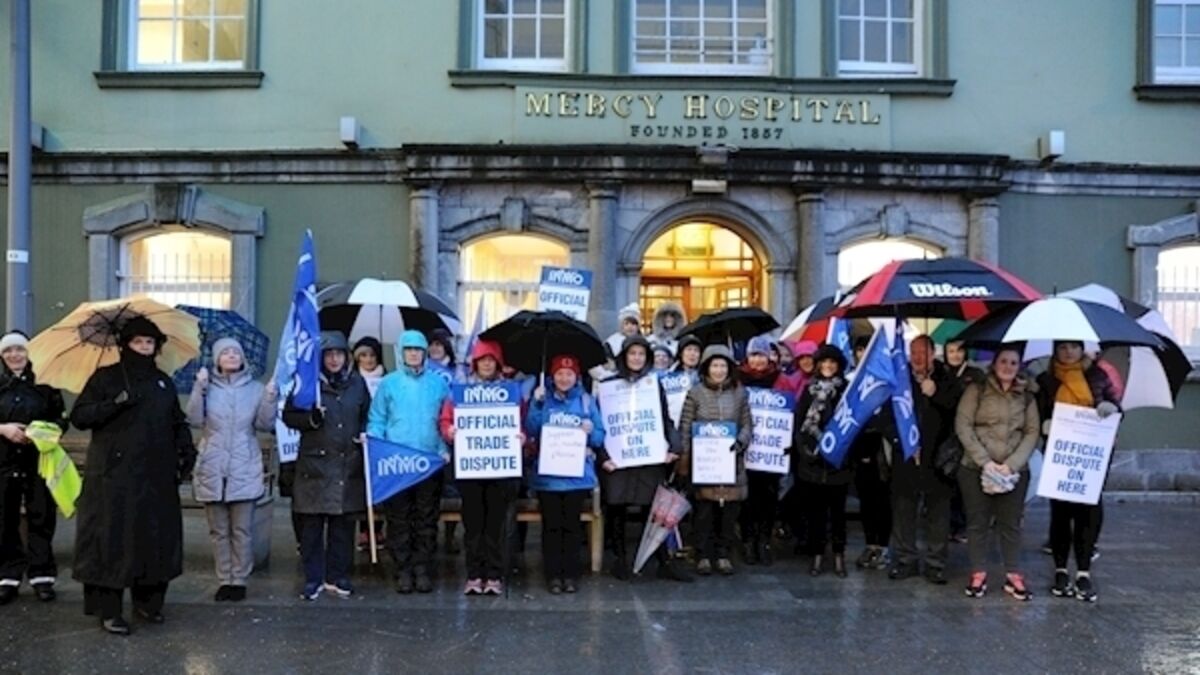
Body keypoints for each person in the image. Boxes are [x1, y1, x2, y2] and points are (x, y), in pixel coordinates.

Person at [70, 317, 196, 635]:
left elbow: (176, 420)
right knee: (113, 539)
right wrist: (114, 404)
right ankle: (109, 609)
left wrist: (186, 450)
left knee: (153, 538)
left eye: (149, 342)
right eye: (138, 342)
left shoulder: (162, 382)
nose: (144, 347)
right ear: (125, 344)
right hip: (114, 476)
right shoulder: (105, 378)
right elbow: (80, 416)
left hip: (156, 474)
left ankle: (147, 603)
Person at [186, 338, 277, 602]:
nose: (231, 356)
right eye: (225, 352)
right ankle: (224, 578)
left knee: (242, 529)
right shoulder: (206, 386)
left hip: (244, 463)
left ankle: (239, 579)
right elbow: (194, 419)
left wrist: (270, 397)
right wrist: (199, 388)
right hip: (212, 463)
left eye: (236, 352)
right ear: (216, 359)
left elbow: (264, 424)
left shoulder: (256, 389)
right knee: (218, 530)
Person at [282, 331, 370, 602]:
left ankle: (337, 576)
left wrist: (366, 432)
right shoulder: (308, 383)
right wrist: (310, 418)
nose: (334, 359)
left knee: (342, 527)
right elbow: (289, 416)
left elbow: (367, 414)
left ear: (346, 357)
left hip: (347, 464)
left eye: (339, 354)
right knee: (311, 528)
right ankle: (313, 578)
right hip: (315, 467)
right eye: (329, 354)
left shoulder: (357, 383)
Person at [597, 335, 690, 582]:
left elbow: (664, 419)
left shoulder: (653, 385)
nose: (637, 358)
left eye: (641, 354)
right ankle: (620, 559)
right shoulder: (608, 386)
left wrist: (674, 446)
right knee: (616, 507)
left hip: (648, 457)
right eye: (632, 353)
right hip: (618, 459)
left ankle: (662, 559)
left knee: (654, 508)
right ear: (624, 356)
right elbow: (601, 424)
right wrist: (603, 456)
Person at [1036, 340, 1120, 603]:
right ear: (1055, 351)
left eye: (1074, 346)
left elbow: (1117, 407)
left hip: (1091, 456)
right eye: (1063, 347)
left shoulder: (1098, 375)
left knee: (1088, 512)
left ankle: (1084, 571)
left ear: (1082, 349)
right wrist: (1044, 424)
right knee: (1060, 513)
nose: (1069, 352)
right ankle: (1061, 570)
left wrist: (1111, 410)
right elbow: (1037, 412)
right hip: (1061, 455)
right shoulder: (1046, 380)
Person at [369, 330, 451, 594]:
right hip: (396, 463)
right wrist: (374, 443)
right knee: (399, 519)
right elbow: (377, 418)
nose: (414, 354)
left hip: (429, 462)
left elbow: (445, 420)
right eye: (409, 350)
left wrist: (443, 449)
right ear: (401, 353)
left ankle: (422, 568)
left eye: (418, 349)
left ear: (425, 353)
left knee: (426, 518)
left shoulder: (438, 384)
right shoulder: (389, 384)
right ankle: (403, 569)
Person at [956, 345, 1040, 601]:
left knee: (1010, 523)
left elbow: (1032, 432)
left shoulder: (1027, 396)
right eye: (1003, 361)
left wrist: (1012, 464)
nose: (1008, 367)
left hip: (1013, 471)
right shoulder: (977, 390)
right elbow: (963, 425)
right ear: (994, 364)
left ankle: (1013, 574)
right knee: (978, 522)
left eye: (1013, 363)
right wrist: (985, 462)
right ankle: (978, 572)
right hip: (975, 467)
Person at [438, 339, 521, 596]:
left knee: (495, 524)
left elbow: (521, 421)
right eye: (482, 360)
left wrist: (522, 437)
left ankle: (494, 575)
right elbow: (445, 419)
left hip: (499, 469)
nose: (486, 364)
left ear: (498, 364)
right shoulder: (460, 391)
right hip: (470, 468)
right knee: (473, 524)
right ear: (475, 363)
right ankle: (474, 574)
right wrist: (450, 431)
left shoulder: (510, 391)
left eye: (491, 360)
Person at [526, 355, 604, 594]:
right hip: (548, 478)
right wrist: (536, 404)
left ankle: (570, 575)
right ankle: (552, 575)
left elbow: (600, 438)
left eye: (569, 374)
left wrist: (590, 431)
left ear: (576, 377)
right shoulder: (542, 399)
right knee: (551, 527)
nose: (564, 378)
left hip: (576, 478)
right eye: (559, 373)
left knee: (572, 528)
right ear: (552, 376)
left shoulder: (587, 402)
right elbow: (531, 429)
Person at [0, 331, 67, 604]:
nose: (14, 355)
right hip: (4, 461)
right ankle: (8, 576)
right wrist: (3, 429)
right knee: (5, 518)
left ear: (29, 353)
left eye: (20, 349)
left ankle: (42, 576)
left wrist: (40, 432)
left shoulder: (46, 384)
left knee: (41, 516)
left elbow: (61, 420)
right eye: (8, 351)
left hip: (39, 460)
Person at [677, 345, 752, 576]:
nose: (719, 370)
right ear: (706, 368)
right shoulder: (695, 393)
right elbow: (685, 427)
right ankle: (703, 554)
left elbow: (747, 424)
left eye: (723, 366)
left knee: (729, 512)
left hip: (732, 462)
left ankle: (723, 554)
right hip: (704, 463)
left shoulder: (740, 393)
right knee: (704, 512)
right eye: (714, 365)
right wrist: (685, 458)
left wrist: (739, 443)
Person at [887, 335, 956, 585]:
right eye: (913, 352)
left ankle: (936, 563)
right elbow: (884, 415)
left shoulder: (946, 378)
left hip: (937, 458)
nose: (918, 358)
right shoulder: (899, 377)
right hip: (906, 456)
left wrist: (935, 393)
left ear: (933, 354)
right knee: (904, 509)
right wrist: (901, 441)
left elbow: (956, 408)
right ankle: (905, 559)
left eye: (923, 353)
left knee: (938, 512)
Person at [792, 345, 853, 578]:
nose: (827, 366)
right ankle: (817, 553)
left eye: (832, 363)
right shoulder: (809, 390)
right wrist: (805, 451)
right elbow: (800, 423)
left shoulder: (846, 391)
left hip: (839, 462)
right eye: (824, 362)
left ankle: (838, 554)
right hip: (813, 462)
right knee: (816, 512)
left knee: (838, 513)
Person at [737, 335, 788, 566]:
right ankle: (748, 540)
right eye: (754, 355)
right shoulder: (738, 379)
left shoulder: (781, 380)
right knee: (747, 498)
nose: (757, 360)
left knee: (769, 497)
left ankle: (764, 540)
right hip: (746, 450)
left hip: (771, 452)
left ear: (769, 358)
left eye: (761, 355)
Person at [847, 336, 890, 570]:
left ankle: (883, 545)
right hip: (859, 447)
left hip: (882, 447)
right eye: (859, 349)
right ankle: (870, 543)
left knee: (883, 499)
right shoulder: (850, 379)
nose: (862, 353)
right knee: (866, 499)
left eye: (867, 349)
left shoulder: (886, 379)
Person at [944, 339, 985, 544]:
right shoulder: (942, 373)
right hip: (946, 435)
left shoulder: (976, 375)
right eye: (951, 351)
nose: (955, 355)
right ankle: (950, 524)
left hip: (968, 434)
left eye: (959, 350)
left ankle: (963, 526)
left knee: (966, 484)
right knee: (948, 482)